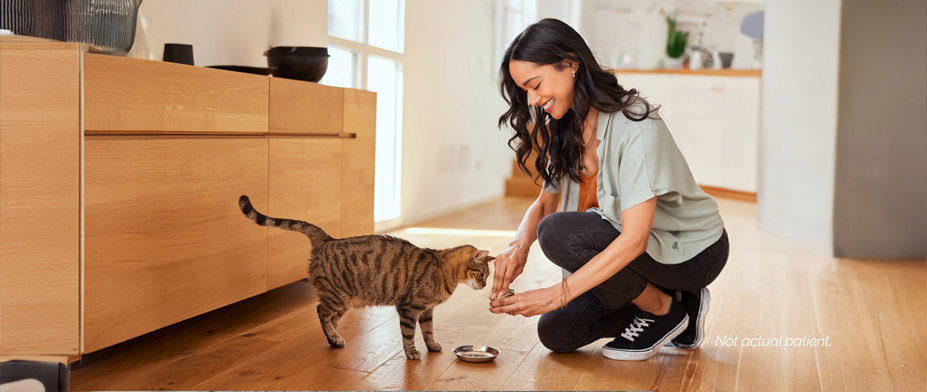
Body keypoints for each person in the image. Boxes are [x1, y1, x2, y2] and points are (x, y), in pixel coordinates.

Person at [488, 18, 729, 361]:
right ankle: (678, 307)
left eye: (536, 84)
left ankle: (665, 307)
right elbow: (545, 204)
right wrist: (518, 247)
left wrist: (557, 294)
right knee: (557, 332)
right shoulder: (565, 127)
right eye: (524, 90)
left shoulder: (637, 126)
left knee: (558, 233)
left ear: (570, 63)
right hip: (638, 253)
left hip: (690, 251)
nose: (532, 98)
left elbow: (634, 239)